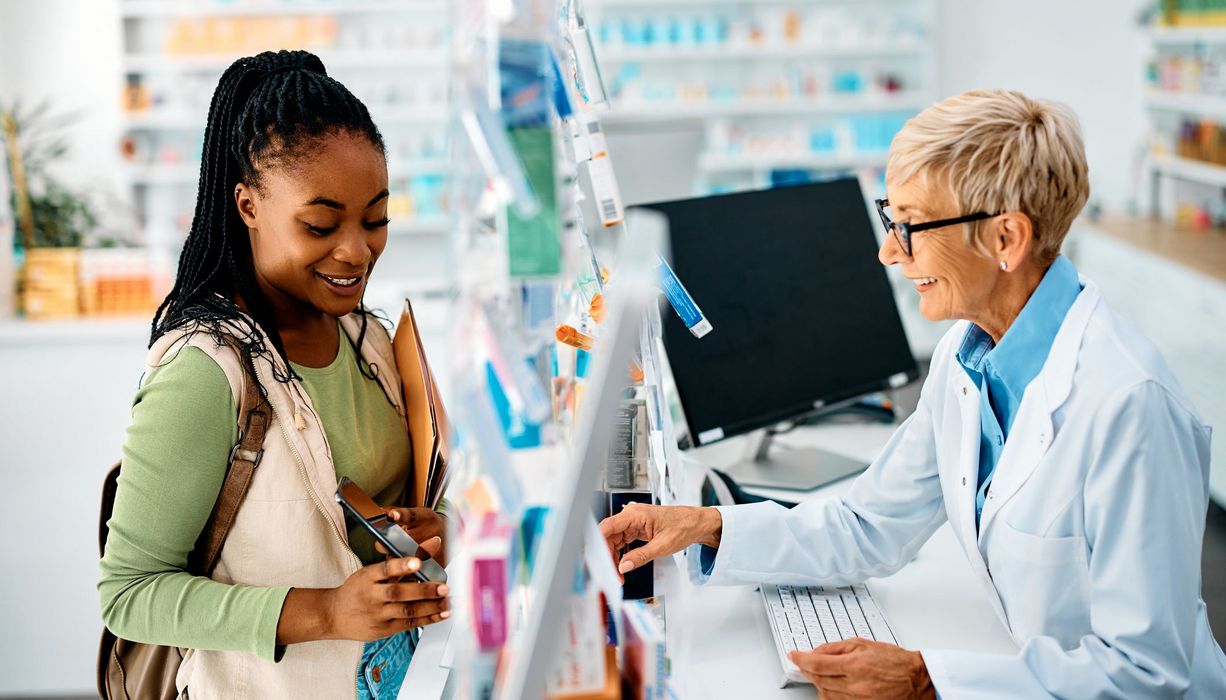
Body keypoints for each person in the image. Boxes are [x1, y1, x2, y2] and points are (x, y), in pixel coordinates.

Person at [600, 90, 1226, 698]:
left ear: (1005, 239)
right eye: (888, 217)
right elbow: (868, 525)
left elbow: (1144, 674)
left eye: (911, 227)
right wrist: (705, 524)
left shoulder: (1129, 405)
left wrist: (930, 683)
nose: (886, 251)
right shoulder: (968, 354)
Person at [98, 50, 448, 699]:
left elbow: (405, 500)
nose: (356, 251)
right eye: (320, 225)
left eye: (375, 220)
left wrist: (434, 529)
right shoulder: (206, 372)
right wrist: (322, 611)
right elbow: (129, 593)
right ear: (249, 205)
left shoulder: (369, 341)